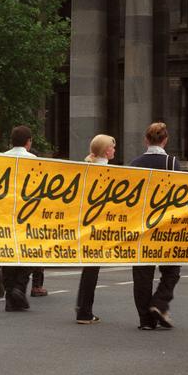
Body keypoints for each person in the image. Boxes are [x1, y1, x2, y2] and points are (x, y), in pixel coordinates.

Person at [129, 121, 181, 330]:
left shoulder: (135, 163)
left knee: (142, 273)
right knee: (172, 269)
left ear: (146, 140)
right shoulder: (172, 162)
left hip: (141, 224)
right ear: (165, 140)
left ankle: (145, 319)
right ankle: (159, 303)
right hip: (166, 224)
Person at [75, 134, 116, 324]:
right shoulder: (105, 170)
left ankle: (83, 307)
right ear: (106, 150)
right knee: (92, 268)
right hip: (99, 225)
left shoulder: (88, 168)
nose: (115, 149)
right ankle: (84, 311)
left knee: (89, 268)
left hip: (87, 222)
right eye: (112, 147)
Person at [0, 125, 39, 311]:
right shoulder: (33, 160)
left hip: (6, 212)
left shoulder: (2, 158)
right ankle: (19, 288)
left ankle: (9, 293)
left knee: (8, 251)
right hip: (27, 212)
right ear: (28, 142)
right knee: (27, 251)